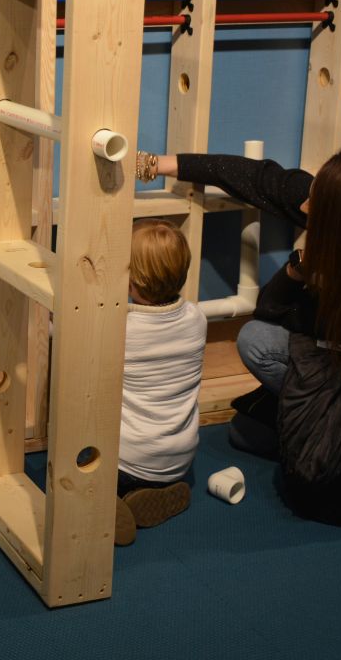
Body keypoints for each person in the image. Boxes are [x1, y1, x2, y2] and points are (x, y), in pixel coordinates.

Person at [135, 148, 341, 529]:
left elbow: (304, 328)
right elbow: (259, 178)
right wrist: (159, 164)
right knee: (250, 402)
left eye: (317, 199)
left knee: (278, 436)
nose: (306, 204)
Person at [114, 219, 208, 546]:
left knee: (75, 460)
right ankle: (158, 492)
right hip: (180, 458)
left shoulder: (123, 329)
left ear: (132, 281)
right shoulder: (197, 319)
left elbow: (65, 337)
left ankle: (103, 505)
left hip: (129, 461)